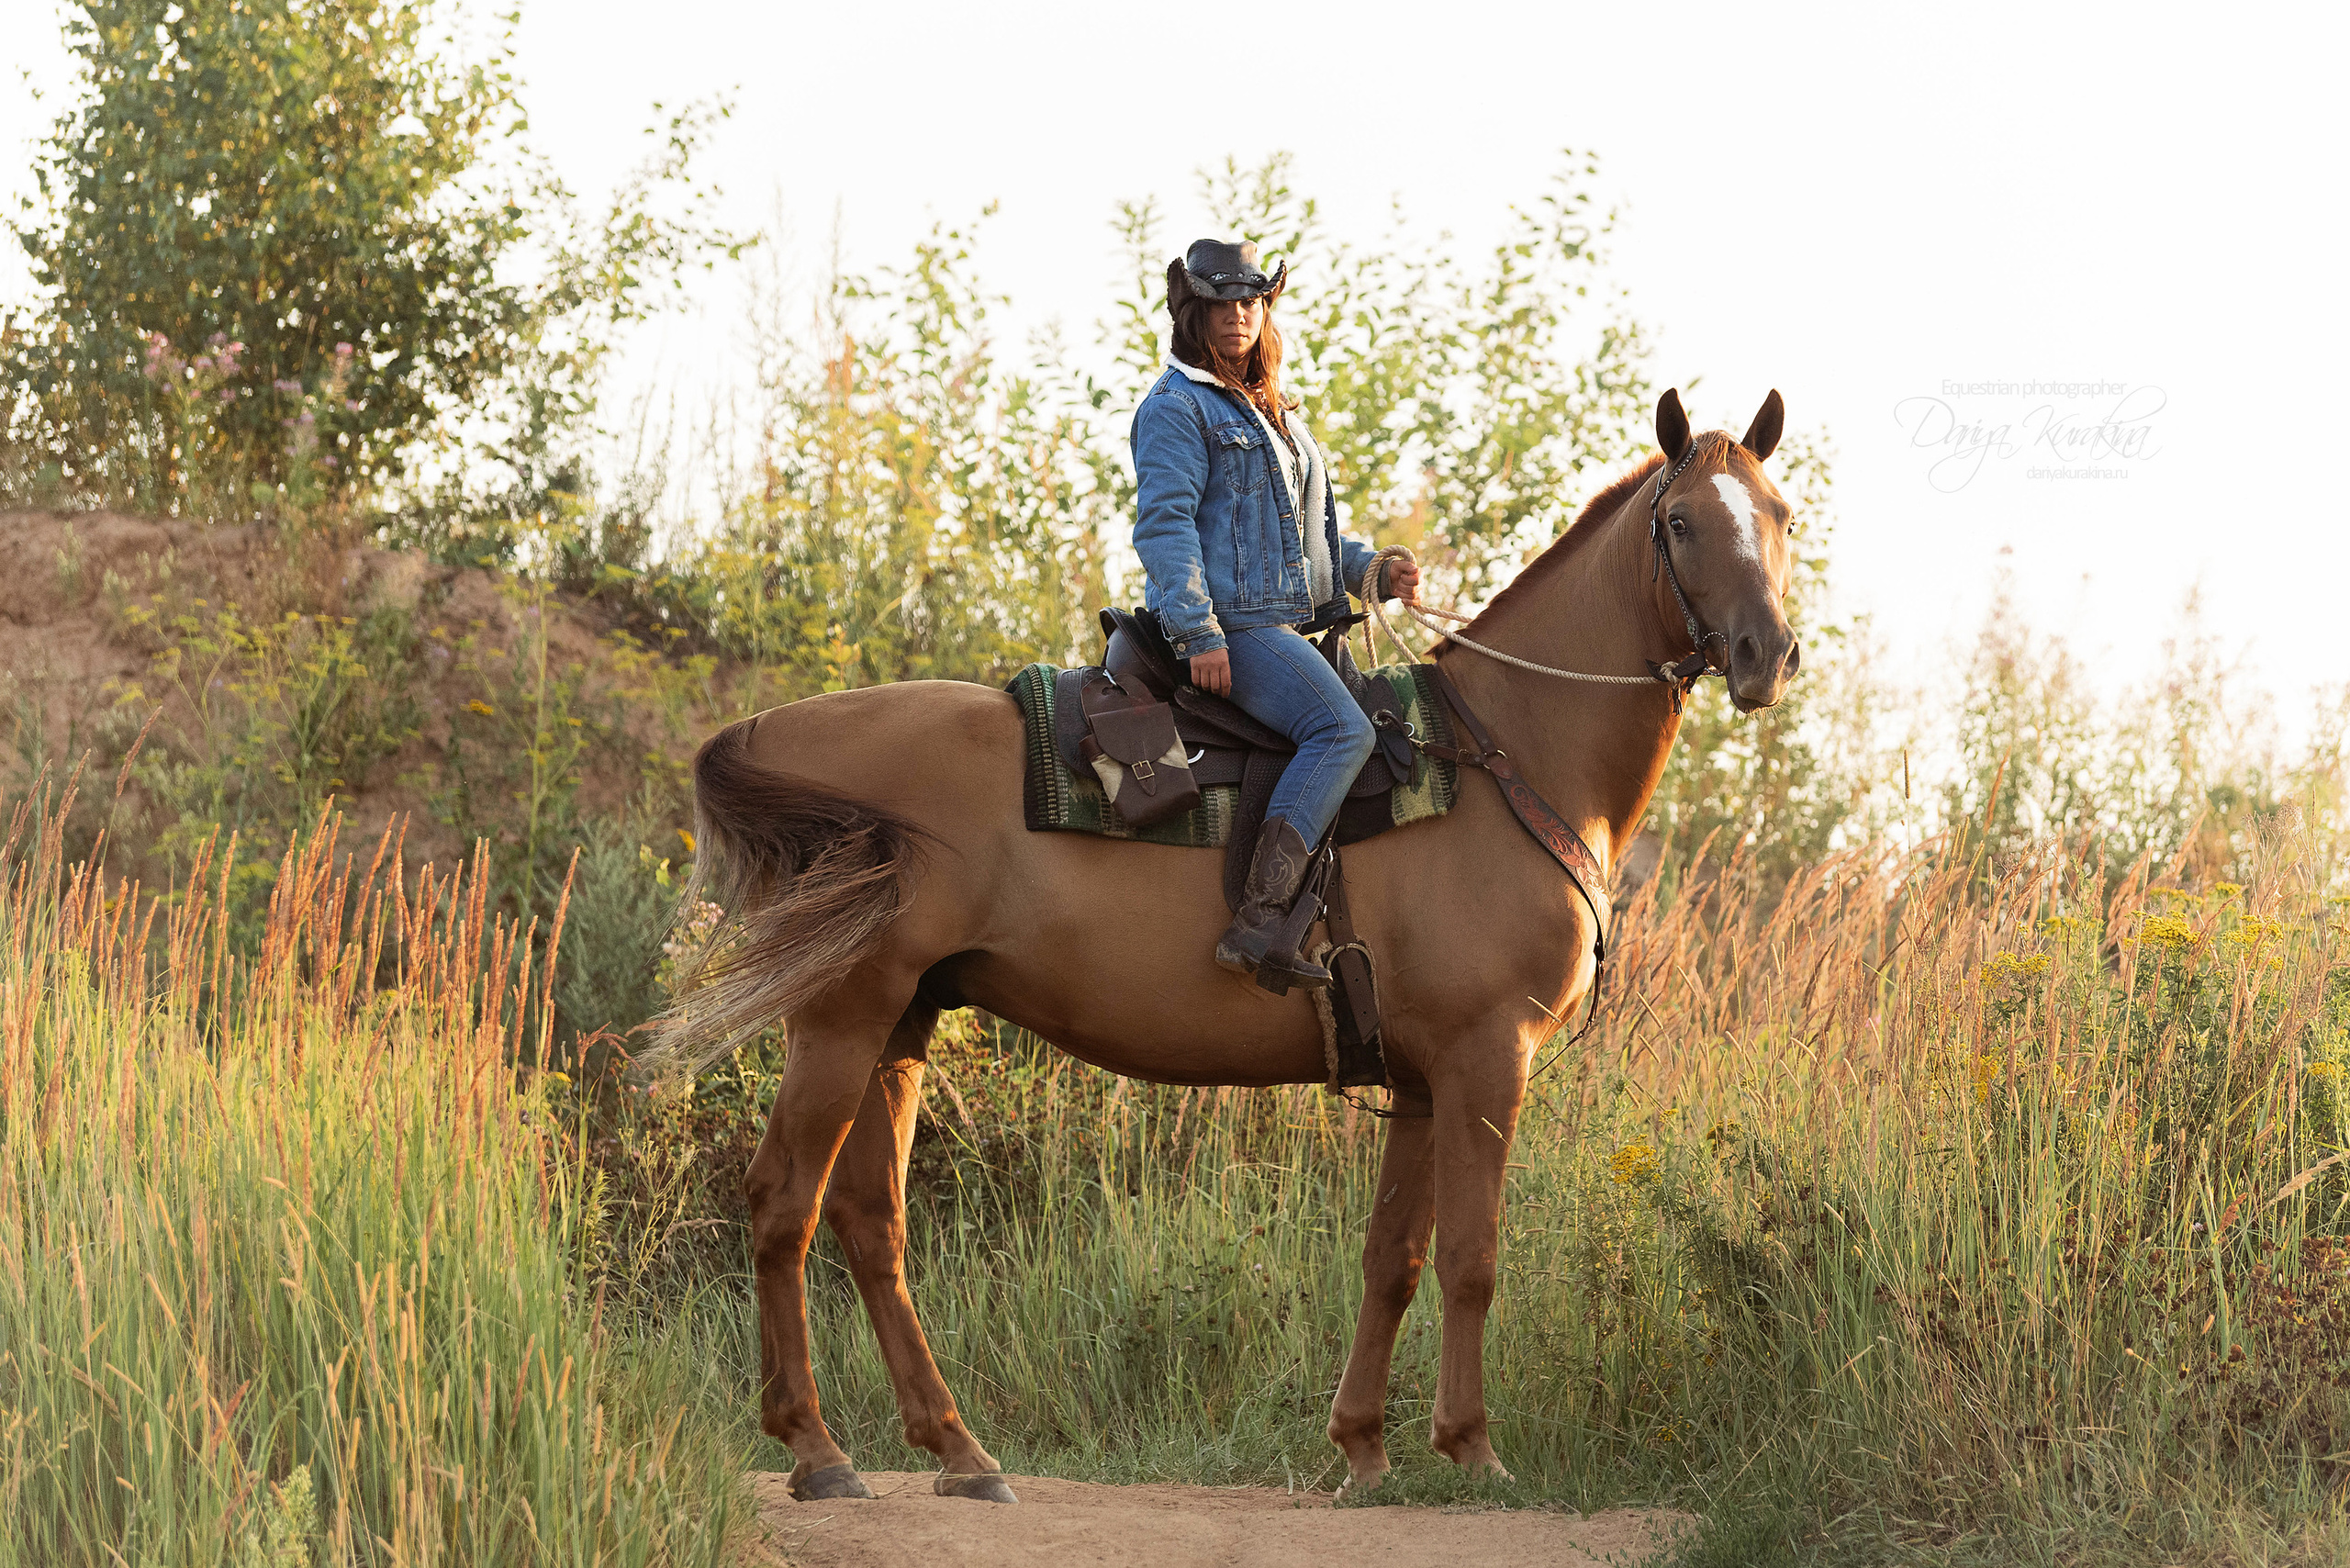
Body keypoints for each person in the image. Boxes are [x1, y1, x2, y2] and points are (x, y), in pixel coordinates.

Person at [1131, 238, 1422, 987]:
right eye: (1222, 303)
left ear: (1266, 313)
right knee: (1342, 730)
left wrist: (1371, 571)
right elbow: (1165, 527)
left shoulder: (1273, 413)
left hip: (1279, 619)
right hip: (1234, 625)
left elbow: (1306, 534)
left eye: (1251, 302)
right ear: (1195, 314)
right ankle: (1259, 922)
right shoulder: (1176, 406)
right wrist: (1198, 631)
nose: (1238, 316)